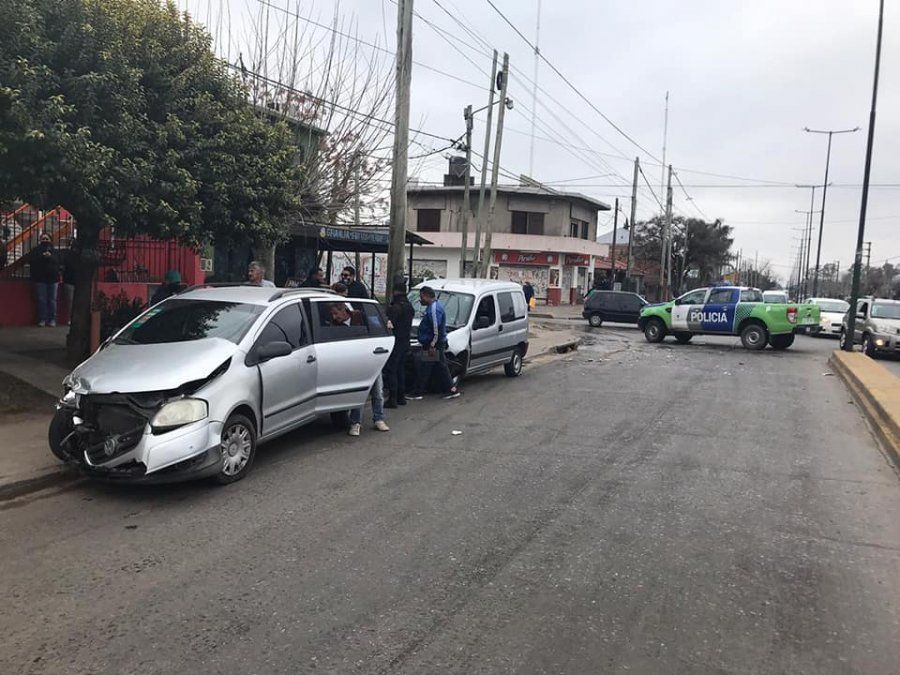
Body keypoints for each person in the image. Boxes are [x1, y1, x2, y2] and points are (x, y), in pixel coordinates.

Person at [328, 301, 388, 435]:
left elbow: (376, 327)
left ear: (343, 310)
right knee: (359, 393)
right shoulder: (335, 325)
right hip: (354, 362)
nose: (334, 317)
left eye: (335, 313)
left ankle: (379, 418)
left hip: (370, 358)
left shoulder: (360, 316)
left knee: (377, 391)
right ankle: (356, 422)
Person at [408, 285, 460, 401]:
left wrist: (432, 345)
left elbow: (435, 329)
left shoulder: (434, 309)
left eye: (421, 297)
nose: (420, 300)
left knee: (430, 367)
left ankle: (419, 391)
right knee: (435, 367)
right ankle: (450, 389)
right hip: (434, 344)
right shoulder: (434, 307)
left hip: (434, 345)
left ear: (427, 296)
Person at [384, 279, 414, 408]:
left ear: (395, 291)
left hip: (395, 341)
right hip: (405, 341)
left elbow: (389, 325)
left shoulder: (396, 307)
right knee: (400, 368)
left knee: (392, 369)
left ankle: (392, 398)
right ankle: (401, 397)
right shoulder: (409, 306)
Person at [29, 232, 60, 327]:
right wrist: (42, 257)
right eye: (43, 239)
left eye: (47, 239)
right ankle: (42, 319)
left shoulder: (54, 251)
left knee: (52, 300)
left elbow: (59, 261)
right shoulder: (36, 250)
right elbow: (32, 261)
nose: (45, 240)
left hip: (53, 279)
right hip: (40, 279)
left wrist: (50, 257)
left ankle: (52, 319)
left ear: (50, 240)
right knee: (42, 300)